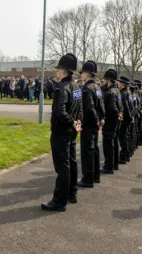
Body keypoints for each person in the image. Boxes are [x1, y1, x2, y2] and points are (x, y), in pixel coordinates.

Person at [41, 53, 83, 212]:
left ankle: (59, 201)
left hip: (61, 131)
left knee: (63, 166)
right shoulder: (77, 87)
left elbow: (60, 111)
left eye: (58, 69)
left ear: (64, 71)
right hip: (72, 131)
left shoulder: (61, 88)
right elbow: (80, 108)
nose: (56, 71)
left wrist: (72, 121)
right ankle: (72, 193)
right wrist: (78, 122)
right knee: (71, 162)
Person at [78, 61, 104, 188]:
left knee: (87, 151)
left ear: (87, 73)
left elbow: (90, 108)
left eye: (82, 72)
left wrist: (95, 121)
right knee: (94, 150)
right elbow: (101, 105)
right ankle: (95, 176)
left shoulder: (87, 88)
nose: (81, 74)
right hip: (96, 122)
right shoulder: (97, 87)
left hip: (89, 123)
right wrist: (101, 119)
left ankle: (88, 179)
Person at [101, 69, 123, 174]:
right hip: (116, 121)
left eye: (105, 79)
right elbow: (120, 105)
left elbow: (112, 107)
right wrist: (120, 113)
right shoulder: (117, 91)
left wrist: (116, 114)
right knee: (114, 142)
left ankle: (108, 166)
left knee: (108, 144)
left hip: (110, 121)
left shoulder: (109, 92)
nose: (103, 81)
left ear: (108, 80)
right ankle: (115, 164)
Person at [117, 76, 133, 164]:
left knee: (123, 137)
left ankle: (123, 157)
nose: (118, 84)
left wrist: (128, 116)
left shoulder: (122, 93)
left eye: (119, 82)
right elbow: (131, 106)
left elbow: (126, 106)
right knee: (126, 136)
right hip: (129, 117)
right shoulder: (128, 92)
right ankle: (127, 155)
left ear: (122, 84)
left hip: (125, 118)